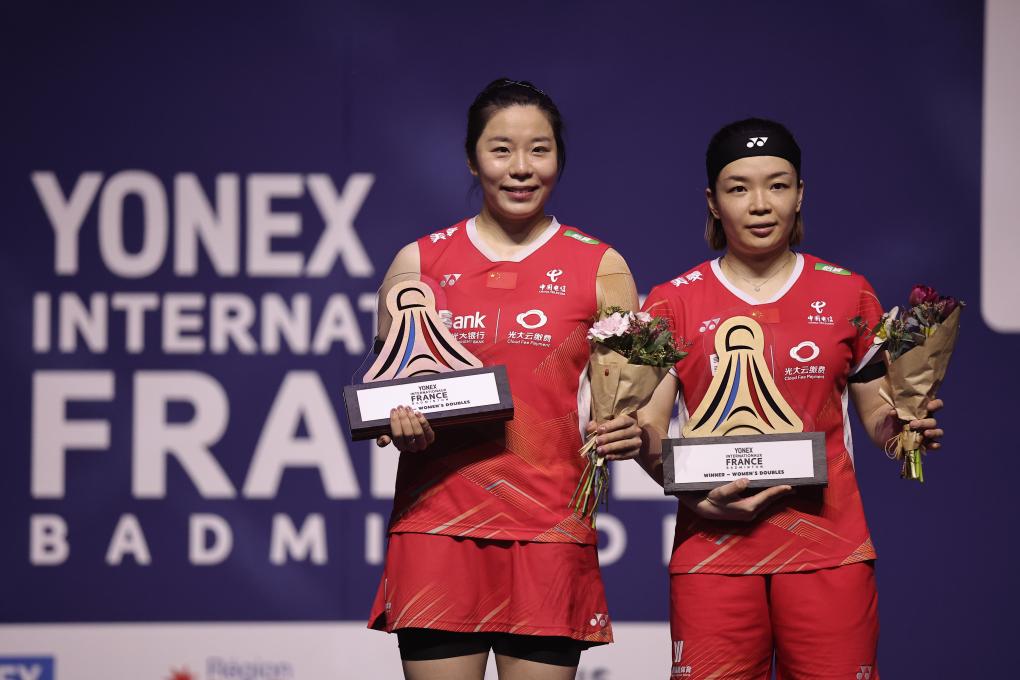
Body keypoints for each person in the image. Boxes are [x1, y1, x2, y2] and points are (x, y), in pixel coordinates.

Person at [634, 118, 944, 680]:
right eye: (738, 188)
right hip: (712, 550)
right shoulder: (671, 301)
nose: (760, 204)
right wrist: (687, 490)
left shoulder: (849, 292)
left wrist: (902, 433)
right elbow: (649, 426)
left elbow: (876, 410)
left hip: (829, 550)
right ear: (713, 202)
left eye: (777, 185)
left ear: (800, 194)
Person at [367, 78, 642, 680]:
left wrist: (629, 432)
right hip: (438, 526)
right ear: (472, 159)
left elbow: (622, 406)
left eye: (539, 149)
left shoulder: (601, 266)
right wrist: (399, 426)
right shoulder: (418, 263)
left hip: (550, 528)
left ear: (559, 158)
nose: (521, 168)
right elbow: (389, 396)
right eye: (501, 150)